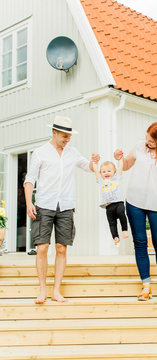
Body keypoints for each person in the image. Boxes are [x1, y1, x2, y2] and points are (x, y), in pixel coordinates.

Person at [24, 115, 99, 304]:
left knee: (61, 248)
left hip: (65, 206)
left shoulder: (72, 153)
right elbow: (30, 179)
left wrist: (95, 162)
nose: (67, 140)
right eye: (64, 136)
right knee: (42, 248)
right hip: (44, 205)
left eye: (69, 137)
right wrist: (28, 203)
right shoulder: (40, 152)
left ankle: (56, 291)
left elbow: (87, 166)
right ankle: (42, 290)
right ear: (54, 132)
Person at [114, 121, 157, 301]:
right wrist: (119, 158)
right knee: (140, 243)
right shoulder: (139, 147)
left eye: (151, 141)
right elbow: (126, 165)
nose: (147, 142)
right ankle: (146, 285)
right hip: (135, 202)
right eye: (147, 138)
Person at [92, 157, 128, 245]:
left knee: (121, 213)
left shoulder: (116, 178)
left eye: (109, 171)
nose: (106, 173)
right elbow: (96, 171)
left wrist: (120, 159)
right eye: (103, 172)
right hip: (108, 205)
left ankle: (124, 230)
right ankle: (115, 237)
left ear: (114, 171)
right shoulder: (101, 180)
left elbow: (120, 167)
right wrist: (94, 162)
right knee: (112, 222)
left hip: (118, 202)